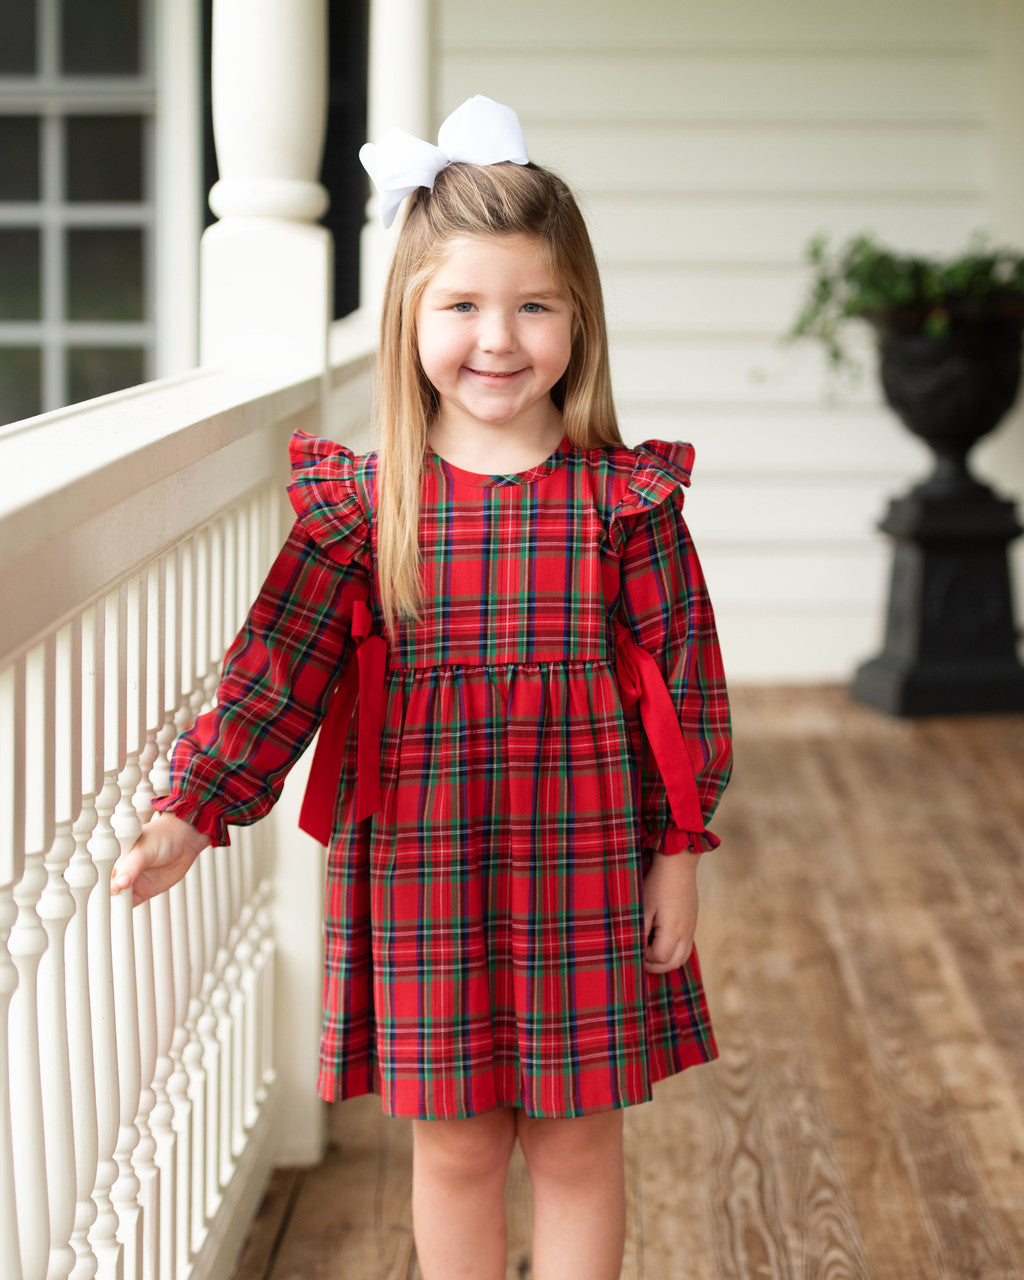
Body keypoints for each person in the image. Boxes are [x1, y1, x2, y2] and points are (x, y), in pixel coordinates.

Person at [112, 96, 732, 1280]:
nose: (497, 338)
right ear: (409, 317)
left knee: (575, 1145)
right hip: (419, 867)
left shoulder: (624, 504)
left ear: (577, 318)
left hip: (586, 862)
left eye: (532, 305)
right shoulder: (364, 506)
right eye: (461, 305)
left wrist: (681, 850)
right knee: (452, 1148)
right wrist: (193, 806)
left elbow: (687, 691)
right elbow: (275, 669)